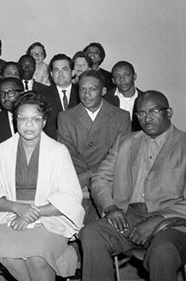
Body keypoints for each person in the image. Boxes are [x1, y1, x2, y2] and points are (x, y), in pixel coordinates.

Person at [80, 91, 186, 281]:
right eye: (141, 113)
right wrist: (110, 207)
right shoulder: (126, 142)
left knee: (163, 250)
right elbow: (99, 178)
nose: (147, 118)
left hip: (174, 221)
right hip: (129, 216)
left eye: (153, 111)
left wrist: (157, 219)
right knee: (91, 234)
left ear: (169, 112)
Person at [0, 91, 84, 281]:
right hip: (11, 215)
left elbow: (70, 197)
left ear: (44, 121)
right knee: (9, 257)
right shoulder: (2, 151)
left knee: (37, 259)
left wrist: (31, 214)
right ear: (14, 120)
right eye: (22, 119)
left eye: (35, 119)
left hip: (50, 216)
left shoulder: (58, 152)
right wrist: (17, 208)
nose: (29, 125)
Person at [57, 70, 131, 223]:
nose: (87, 94)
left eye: (92, 89)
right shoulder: (65, 117)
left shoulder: (121, 117)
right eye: (83, 89)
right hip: (75, 181)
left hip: (107, 184)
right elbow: (67, 152)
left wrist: (91, 175)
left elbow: (120, 156)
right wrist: (84, 177)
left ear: (103, 91)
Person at [39, 54, 80, 139]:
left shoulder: (81, 92)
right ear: (51, 74)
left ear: (73, 72)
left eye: (64, 69)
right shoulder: (42, 95)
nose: (60, 74)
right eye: (56, 70)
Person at [104, 60, 143, 131]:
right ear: (113, 80)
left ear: (134, 76)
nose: (122, 79)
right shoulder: (106, 100)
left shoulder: (145, 99)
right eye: (117, 76)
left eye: (126, 75)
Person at [0, 77, 24, 149]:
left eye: (11, 93)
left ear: (22, 93)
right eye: (2, 94)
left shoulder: (35, 117)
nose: (6, 98)